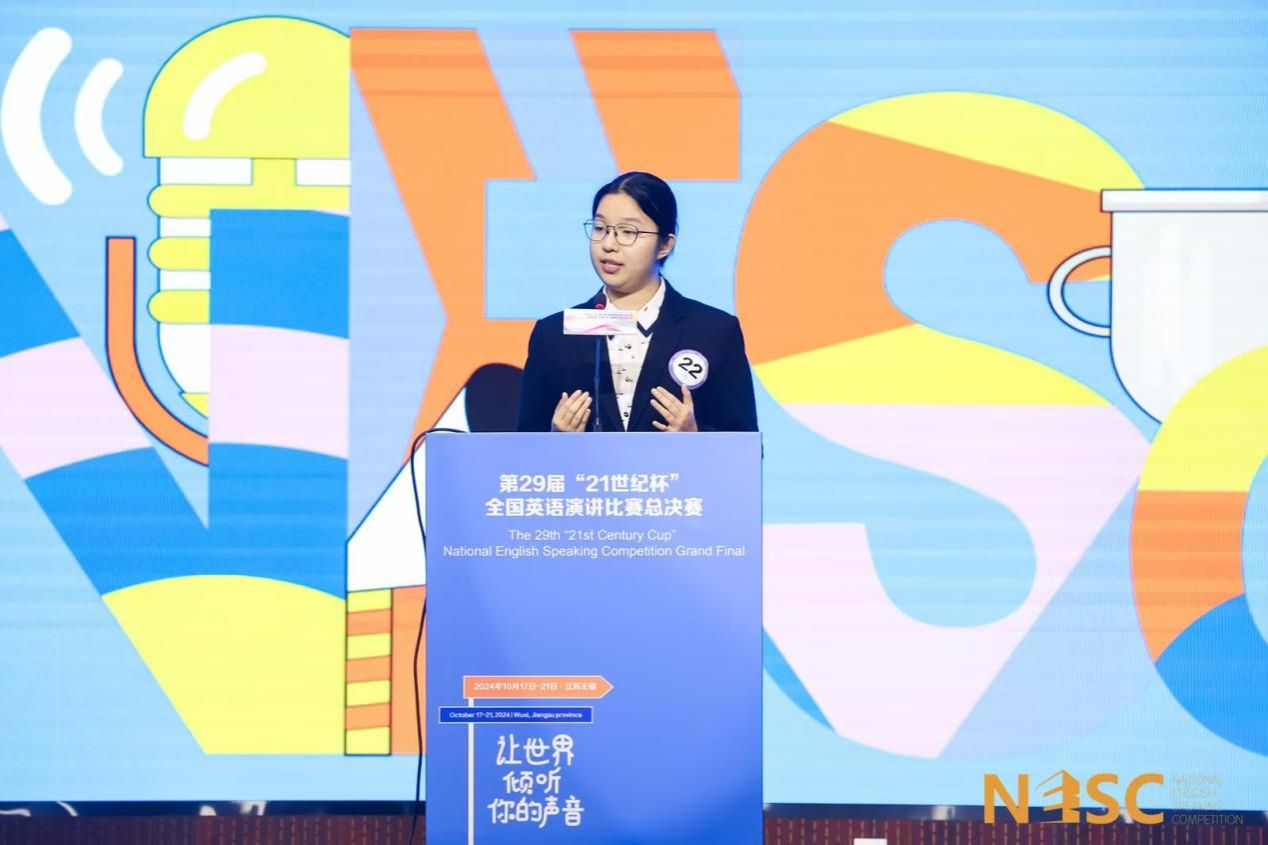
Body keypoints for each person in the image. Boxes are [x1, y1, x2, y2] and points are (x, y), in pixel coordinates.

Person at [516, 171, 758, 433]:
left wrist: (695, 439)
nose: (609, 244)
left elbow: (745, 445)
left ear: (665, 244)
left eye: (628, 232)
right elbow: (524, 445)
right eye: (600, 229)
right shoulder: (554, 334)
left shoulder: (713, 332)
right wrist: (553, 440)